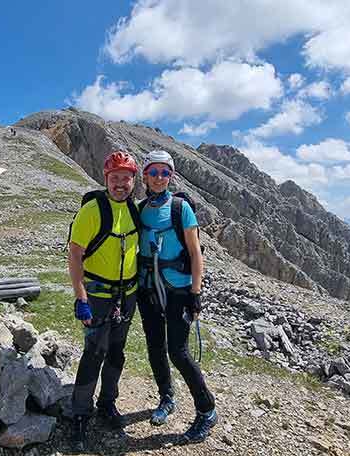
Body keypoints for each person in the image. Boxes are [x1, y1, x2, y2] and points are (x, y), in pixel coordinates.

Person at [136, 149, 217, 443]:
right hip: (148, 289)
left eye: (165, 173)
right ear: (145, 176)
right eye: (153, 172)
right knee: (155, 346)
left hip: (179, 290)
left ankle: (207, 410)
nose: (159, 178)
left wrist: (196, 292)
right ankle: (166, 397)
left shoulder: (181, 208)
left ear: (171, 176)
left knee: (178, 352)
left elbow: (195, 253)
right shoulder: (140, 208)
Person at [67, 150, 141, 451]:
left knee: (116, 352)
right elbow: (75, 254)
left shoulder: (135, 209)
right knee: (94, 353)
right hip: (97, 295)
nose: (120, 183)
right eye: (115, 178)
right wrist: (80, 297)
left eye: (126, 178)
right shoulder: (92, 210)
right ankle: (80, 414)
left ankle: (107, 403)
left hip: (127, 295)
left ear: (134, 180)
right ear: (106, 179)